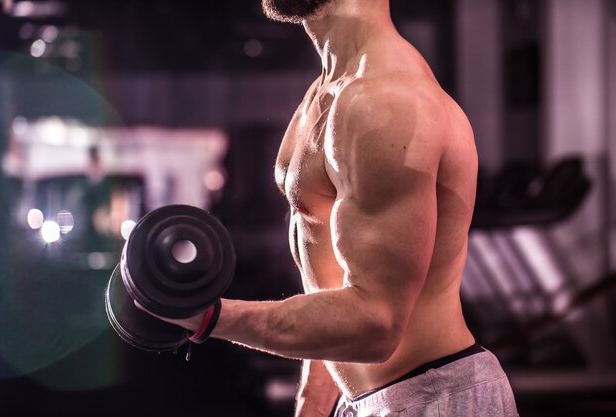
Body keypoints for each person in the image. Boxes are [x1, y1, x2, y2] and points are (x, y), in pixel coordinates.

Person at [141, 0, 518, 416]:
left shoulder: (385, 103)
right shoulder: (326, 92)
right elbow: (333, 289)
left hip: (434, 399)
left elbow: (375, 323)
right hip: (368, 401)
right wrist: (313, 406)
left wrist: (211, 316)